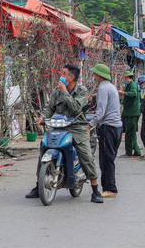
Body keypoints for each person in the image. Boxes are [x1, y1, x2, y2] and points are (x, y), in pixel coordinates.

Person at [26, 63, 103, 203]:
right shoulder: (57, 90)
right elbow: (49, 107)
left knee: (86, 156)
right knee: (43, 149)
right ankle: (38, 187)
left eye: (64, 74)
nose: (61, 76)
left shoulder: (82, 91)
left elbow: (75, 109)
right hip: (59, 126)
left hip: (76, 126)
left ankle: (95, 190)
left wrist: (65, 93)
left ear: (71, 77)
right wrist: (42, 117)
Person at [88, 63, 123, 198]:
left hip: (108, 127)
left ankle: (110, 189)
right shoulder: (111, 87)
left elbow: (100, 112)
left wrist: (90, 125)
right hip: (117, 127)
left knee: (106, 159)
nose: (93, 75)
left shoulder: (103, 89)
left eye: (95, 73)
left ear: (99, 76)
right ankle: (109, 187)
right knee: (110, 158)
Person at [119, 71, 141, 157]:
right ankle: (137, 151)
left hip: (132, 113)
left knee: (129, 133)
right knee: (132, 133)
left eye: (124, 78)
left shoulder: (132, 85)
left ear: (127, 77)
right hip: (130, 112)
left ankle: (128, 152)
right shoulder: (129, 85)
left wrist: (123, 93)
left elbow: (134, 94)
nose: (124, 80)